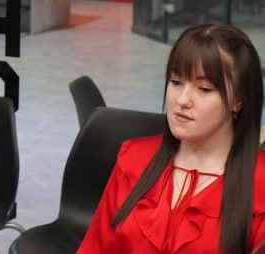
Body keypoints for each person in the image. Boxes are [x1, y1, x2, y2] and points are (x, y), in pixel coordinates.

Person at [78, 24, 265, 254]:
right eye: (176, 82)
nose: (182, 100)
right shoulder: (133, 160)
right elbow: (95, 248)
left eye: (204, 89)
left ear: (238, 100)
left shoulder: (259, 183)